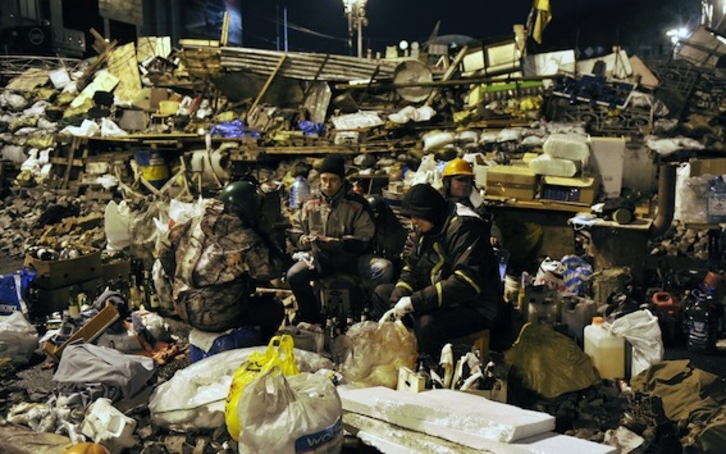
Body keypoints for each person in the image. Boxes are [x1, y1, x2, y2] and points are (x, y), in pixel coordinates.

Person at [372, 183, 503, 356]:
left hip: (475, 305)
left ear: (429, 211)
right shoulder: (428, 225)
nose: (413, 223)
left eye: (416, 217)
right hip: (442, 295)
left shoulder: (464, 226)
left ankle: (429, 369)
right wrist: (397, 300)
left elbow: (467, 281)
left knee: (427, 323)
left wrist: (415, 301)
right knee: (382, 293)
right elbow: (412, 268)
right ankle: (400, 353)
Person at [158, 181, 285, 342]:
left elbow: (164, 249)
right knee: (273, 309)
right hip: (212, 315)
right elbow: (271, 271)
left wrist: (178, 278)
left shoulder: (196, 221)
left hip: (181, 305)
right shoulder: (243, 236)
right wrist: (272, 236)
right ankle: (256, 350)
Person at [287, 153, 394, 324]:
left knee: (384, 268)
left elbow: (366, 236)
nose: (328, 185)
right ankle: (310, 318)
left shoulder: (357, 204)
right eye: (324, 179)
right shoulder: (309, 203)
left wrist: (342, 243)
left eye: (333, 180)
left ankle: (374, 314)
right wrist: (303, 240)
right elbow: (295, 230)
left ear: (342, 180)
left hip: (351, 259)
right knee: (294, 275)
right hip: (321, 259)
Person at [441, 157, 503, 246]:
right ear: (447, 182)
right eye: (460, 180)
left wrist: (493, 236)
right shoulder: (439, 201)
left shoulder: (474, 201)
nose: (465, 184)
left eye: (467, 180)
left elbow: (489, 222)